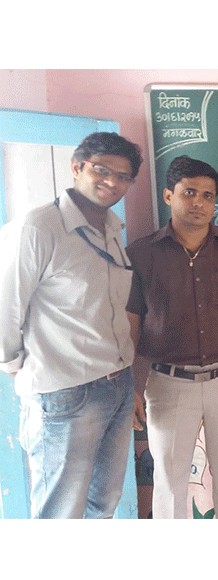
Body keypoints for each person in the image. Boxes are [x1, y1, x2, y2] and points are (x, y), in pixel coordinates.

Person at [0, 132, 143, 518]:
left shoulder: (112, 230)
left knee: (103, 502)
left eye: (123, 176)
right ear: (77, 167)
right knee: (60, 508)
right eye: (102, 170)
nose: (112, 182)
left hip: (116, 384)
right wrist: (18, 369)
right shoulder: (37, 228)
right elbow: (5, 307)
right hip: (64, 391)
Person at [126, 155, 218, 519]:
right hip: (168, 383)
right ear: (169, 195)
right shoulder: (141, 253)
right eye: (190, 193)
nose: (200, 202)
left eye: (208, 195)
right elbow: (131, 323)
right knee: (170, 483)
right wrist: (132, 385)